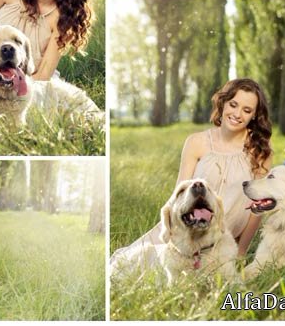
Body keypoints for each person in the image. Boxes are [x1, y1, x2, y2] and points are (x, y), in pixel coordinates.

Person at [111, 77, 272, 274]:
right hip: (185, 232)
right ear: (223, 103)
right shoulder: (196, 142)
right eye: (233, 104)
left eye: (247, 110)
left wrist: (241, 252)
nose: (237, 114)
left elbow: (257, 211)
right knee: (123, 267)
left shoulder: (260, 151)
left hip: (221, 237)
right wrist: (168, 230)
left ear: (254, 116)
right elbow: (178, 197)